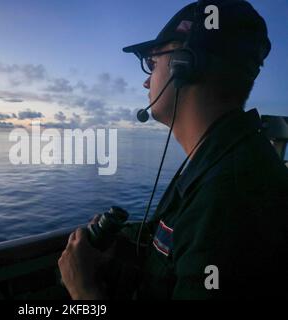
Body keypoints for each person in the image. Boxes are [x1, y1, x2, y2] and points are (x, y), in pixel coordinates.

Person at [58, 0, 288, 300]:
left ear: (185, 64)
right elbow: (176, 246)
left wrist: (83, 291)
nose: (145, 81)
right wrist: (124, 250)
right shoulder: (220, 162)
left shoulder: (229, 197)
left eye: (152, 63)